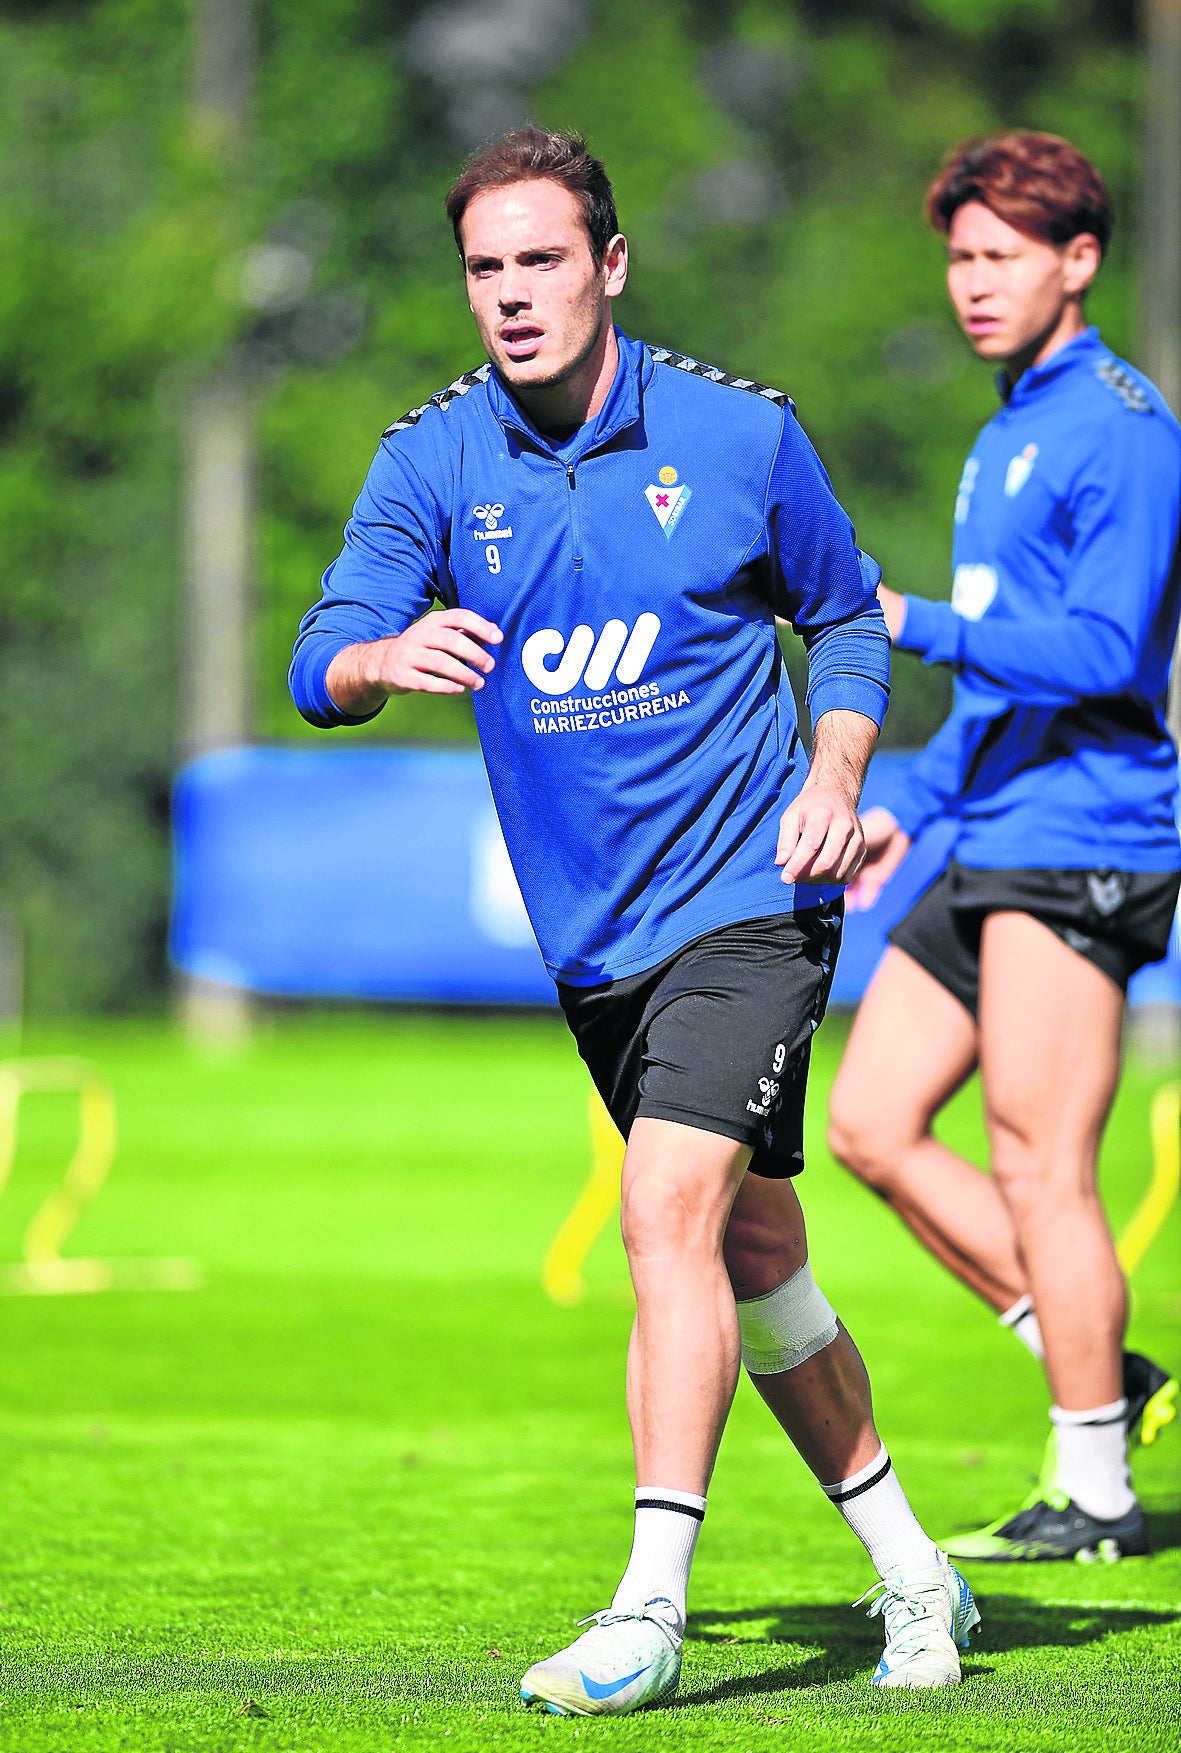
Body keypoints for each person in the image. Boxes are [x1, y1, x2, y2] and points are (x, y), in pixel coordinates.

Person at [290, 127, 979, 1714]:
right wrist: (373, 664)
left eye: (543, 259)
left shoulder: (741, 435)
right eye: (485, 267)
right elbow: (318, 649)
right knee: (755, 1256)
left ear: (609, 265)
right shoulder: (433, 461)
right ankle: (908, 1564)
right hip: (596, 941)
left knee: (663, 1209)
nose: (513, 294)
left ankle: (647, 1607)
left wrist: (836, 757)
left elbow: (844, 615)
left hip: (756, 893)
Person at [829, 131, 1181, 1564]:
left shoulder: (1122, 424)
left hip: (1086, 831)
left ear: (1075, 261)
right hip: (985, 821)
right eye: (958, 258)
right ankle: (1101, 1371)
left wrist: (909, 617)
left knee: (1042, 1165)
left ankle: (1093, 1491)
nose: (970, 284)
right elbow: (996, 681)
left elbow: (1102, 650)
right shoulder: (999, 428)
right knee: (866, 1120)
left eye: (998, 257)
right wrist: (910, 797)